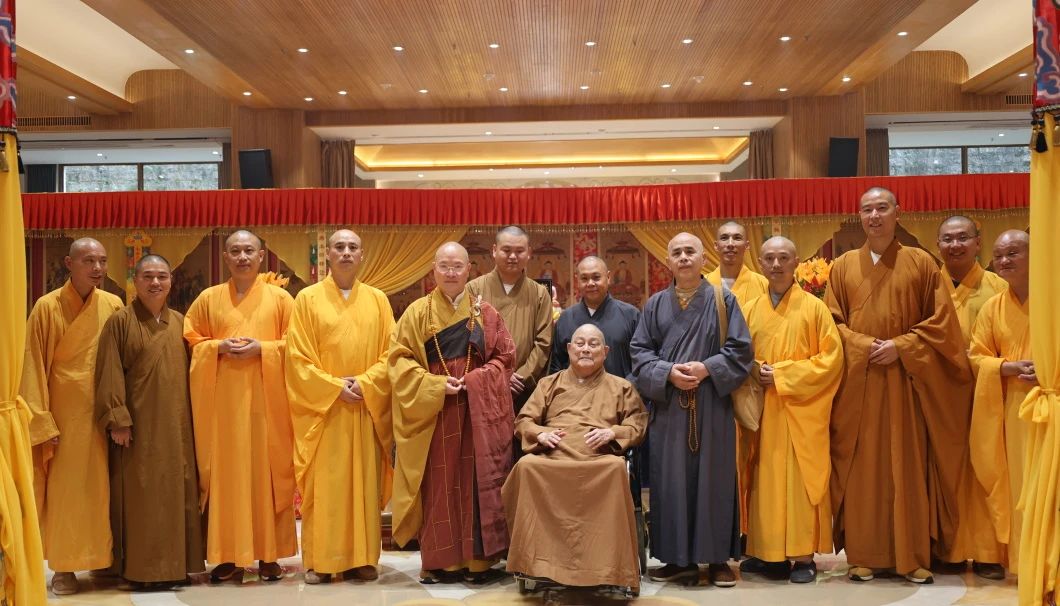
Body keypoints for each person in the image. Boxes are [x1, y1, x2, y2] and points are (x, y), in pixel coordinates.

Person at [826, 187, 972, 584]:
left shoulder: (921, 263)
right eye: (867, 209)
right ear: (859, 216)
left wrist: (902, 346)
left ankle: (912, 556)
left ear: (897, 213)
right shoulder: (841, 267)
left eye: (882, 208)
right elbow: (830, 326)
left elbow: (944, 325)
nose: (874, 216)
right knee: (862, 469)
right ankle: (863, 555)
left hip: (908, 382)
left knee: (906, 465)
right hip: (861, 384)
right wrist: (861, 345)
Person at [630, 232, 754, 587]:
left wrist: (707, 368)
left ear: (704, 259)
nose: (683, 257)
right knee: (670, 482)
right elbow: (640, 352)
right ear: (667, 261)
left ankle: (716, 559)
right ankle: (677, 558)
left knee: (713, 480)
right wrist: (667, 372)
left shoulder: (722, 299)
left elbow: (741, 350)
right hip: (670, 409)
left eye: (690, 251)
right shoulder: (654, 305)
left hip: (712, 403)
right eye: (676, 252)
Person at [390, 242, 516, 583]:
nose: (450, 273)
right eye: (444, 266)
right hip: (437, 412)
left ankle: (479, 562)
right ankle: (439, 561)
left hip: (477, 416)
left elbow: (505, 357)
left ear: (469, 270)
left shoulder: (486, 312)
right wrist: (433, 386)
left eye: (457, 266)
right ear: (433, 269)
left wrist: (477, 380)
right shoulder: (417, 313)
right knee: (440, 485)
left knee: (477, 484)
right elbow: (399, 362)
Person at [183, 230, 296, 583]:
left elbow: (297, 344)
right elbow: (191, 338)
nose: (243, 257)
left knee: (266, 476)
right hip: (224, 409)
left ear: (262, 256)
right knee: (228, 478)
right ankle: (228, 555)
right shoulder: (207, 298)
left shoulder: (280, 299)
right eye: (236, 251)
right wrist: (217, 347)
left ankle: (269, 555)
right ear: (226, 258)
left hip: (267, 404)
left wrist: (262, 348)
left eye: (249, 251)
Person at [285, 229, 394, 583]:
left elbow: (391, 354)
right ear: (327, 254)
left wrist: (364, 382)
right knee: (325, 487)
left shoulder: (378, 300)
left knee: (363, 485)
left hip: (364, 406)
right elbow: (297, 357)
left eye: (353, 247)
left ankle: (363, 558)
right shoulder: (306, 299)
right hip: (325, 411)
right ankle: (319, 561)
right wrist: (334, 387)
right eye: (339, 247)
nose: (346, 252)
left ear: (362, 254)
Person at [504, 324, 648, 591]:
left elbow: (637, 424)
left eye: (593, 344)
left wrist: (611, 432)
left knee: (616, 468)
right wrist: (540, 434)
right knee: (525, 466)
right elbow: (523, 420)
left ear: (605, 352)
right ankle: (536, 563)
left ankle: (608, 566)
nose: (585, 349)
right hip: (553, 458)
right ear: (569, 349)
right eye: (579, 343)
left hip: (598, 461)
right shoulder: (549, 384)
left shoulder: (621, 387)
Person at [19, 238, 123, 595]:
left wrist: (121, 412)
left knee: (104, 492)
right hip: (63, 418)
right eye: (88, 260)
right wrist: (42, 420)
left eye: (102, 261)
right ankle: (63, 568)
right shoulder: (46, 307)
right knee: (66, 494)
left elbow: (121, 364)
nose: (97, 268)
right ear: (69, 263)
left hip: (102, 413)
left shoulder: (113, 304)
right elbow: (32, 366)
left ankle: (103, 561)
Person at [94, 255, 205, 589]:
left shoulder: (180, 323)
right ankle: (141, 569)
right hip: (137, 429)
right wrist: (117, 419)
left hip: (176, 427)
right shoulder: (120, 322)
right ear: (135, 280)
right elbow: (108, 372)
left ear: (171, 280)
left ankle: (177, 566)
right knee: (140, 497)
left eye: (161, 276)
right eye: (147, 277)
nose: (155, 283)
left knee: (177, 492)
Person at [739, 237, 843, 583]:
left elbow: (831, 361)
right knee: (763, 481)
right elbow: (738, 355)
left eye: (784, 257)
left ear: (797, 261)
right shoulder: (751, 308)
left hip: (801, 412)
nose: (776, 264)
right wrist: (756, 369)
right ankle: (769, 553)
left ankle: (802, 557)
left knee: (799, 484)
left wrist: (782, 375)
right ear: (761, 263)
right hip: (763, 412)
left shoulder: (814, 308)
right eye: (769, 258)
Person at [936, 215, 1009, 578]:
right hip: (938, 395)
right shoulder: (928, 285)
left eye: (962, 237)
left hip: (989, 394)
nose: (955, 245)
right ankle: (946, 548)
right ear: (938, 246)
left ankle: (987, 552)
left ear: (978, 242)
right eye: (947, 239)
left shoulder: (998, 287)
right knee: (943, 472)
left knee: (986, 470)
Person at [967, 230, 1033, 575]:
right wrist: (1006, 367)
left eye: (1013, 253)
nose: (1005, 261)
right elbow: (977, 356)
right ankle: (1022, 562)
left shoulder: (1052, 299)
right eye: (1000, 255)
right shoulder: (994, 307)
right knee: (1014, 485)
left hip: (1049, 405)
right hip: (1009, 409)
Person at [705, 220, 769, 542]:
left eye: (737, 238)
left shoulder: (762, 283)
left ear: (747, 245)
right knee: (719, 461)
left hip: (753, 384)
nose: (731, 243)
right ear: (715, 246)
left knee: (755, 460)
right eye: (724, 238)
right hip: (713, 386)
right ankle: (725, 531)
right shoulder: (703, 284)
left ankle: (752, 532)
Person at [467, 226, 552, 411]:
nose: (512, 256)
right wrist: (498, 375)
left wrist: (521, 376)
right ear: (494, 250)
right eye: (506, 250)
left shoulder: (539, 293)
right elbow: (469, 341)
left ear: (529, 253)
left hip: (523, 387)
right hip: (485, 385)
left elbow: (543, 343)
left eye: (519, 251)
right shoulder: (474, 289)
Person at [550, 256, 640, 378]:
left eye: (596, 277)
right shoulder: (566, 318)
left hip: (620, 394)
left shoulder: (631, 315)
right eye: (584, 278)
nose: (590, 283)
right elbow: (556, 365)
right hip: (575, 395)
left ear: (608, 277)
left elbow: (640, 362)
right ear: (577, 280)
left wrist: (627, 390)